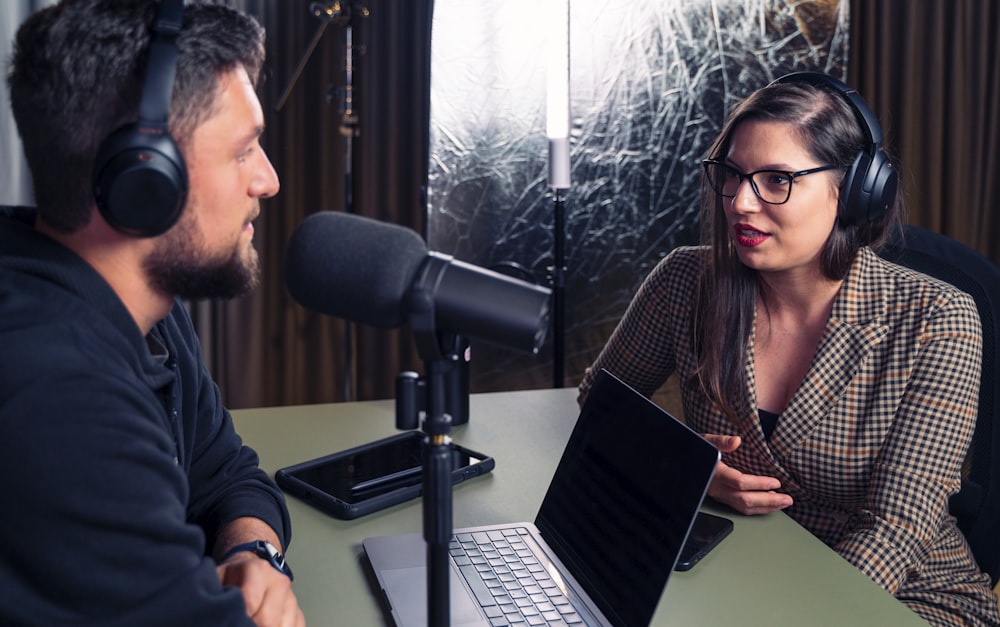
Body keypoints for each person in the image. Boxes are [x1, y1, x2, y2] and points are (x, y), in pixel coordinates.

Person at [578, 73, 1000, 625]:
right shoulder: (685, 281)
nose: (742, 203)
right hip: (737, 564)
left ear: (853, 191)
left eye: (777, 179)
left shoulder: (937, 319)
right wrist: (684, 464)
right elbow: (602, 403)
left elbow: (897, 529)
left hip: (895, 593)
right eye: (732, 175)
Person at [1, 1, 305, 625]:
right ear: (145, 180)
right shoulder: (62, 396)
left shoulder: (142, 309)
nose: (269, 180)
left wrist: (254, 552)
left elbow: (227, 475)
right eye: (244, 150)